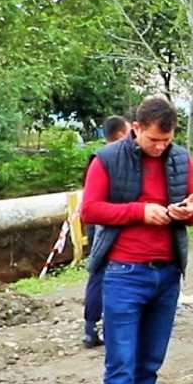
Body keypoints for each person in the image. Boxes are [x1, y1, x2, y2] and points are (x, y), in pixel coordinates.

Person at [80, 96, 193, 384]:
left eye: (166, 141)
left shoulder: (181, 159)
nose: (160, 147)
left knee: (150, 361)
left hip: (166, 274)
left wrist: (188, 212)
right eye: (153, 140)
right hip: (123, 274)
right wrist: (139, 211)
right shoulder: (107, 160)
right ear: (136, 128)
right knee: (121, 361)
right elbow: (90, 210)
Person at [81, 115, 130, 349]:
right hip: (107, 225)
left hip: (100, 225)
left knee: (98, 273)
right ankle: (98, 328)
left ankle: (91, 328)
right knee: (105, 273)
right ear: (121, 134)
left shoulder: (99, 159)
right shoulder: (109, 160)